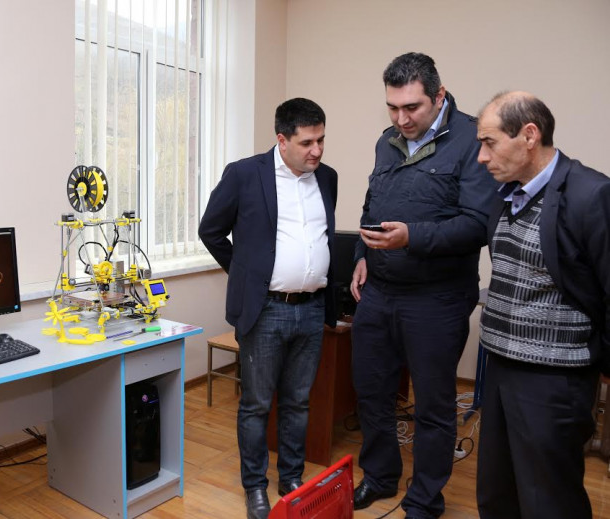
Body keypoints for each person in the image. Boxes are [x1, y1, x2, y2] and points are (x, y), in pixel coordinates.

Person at [349, 52, 497, 518]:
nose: (401, 118)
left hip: (437, 298)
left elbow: (477, 225)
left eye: (411, 107)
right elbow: (371, 207)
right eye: (393, 107)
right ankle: (379, 477)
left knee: (433, 406)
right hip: (379, 292)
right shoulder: (386, 141)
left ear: (439, 95)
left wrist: (411, 237)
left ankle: (424, 499)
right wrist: (361, 257)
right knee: (371, 392)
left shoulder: (473, 140)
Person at [198, 97, 338, 519]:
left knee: (298, 401)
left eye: (321, 140)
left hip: (312, 309)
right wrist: (247, 275)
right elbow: (211, 230)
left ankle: (291, 478)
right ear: (282, 139)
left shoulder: (327, 177)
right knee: (257, 404)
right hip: (266, 311)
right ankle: (255, 486)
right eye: (307, 142)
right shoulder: (245, 174)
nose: (317, 150)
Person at [475, 91, 610, 519]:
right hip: (500, 368)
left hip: (553, 381)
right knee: (497, 493)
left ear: (529, 135)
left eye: (489, 142)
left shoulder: (590, 194)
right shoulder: (504, 193)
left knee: (549, 501)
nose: (481, 157)